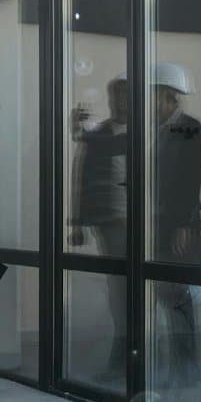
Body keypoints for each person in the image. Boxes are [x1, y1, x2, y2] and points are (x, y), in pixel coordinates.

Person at [68, 76, 129, 383]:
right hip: (113, 223)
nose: (120, 102)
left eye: (125, 96)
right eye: (115, 96)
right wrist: (77, 222)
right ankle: (122, 360)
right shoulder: (103, 134)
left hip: (151, 223)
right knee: (120, 292)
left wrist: (82, 134)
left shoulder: (147, 131)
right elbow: (83, 175)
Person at [150, 63, 201, 387]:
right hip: (162, 224)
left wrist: (184, 224)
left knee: (177, 293)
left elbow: (190, 178)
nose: (154, 103)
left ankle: (187, 363)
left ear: (170, 98)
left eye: (158, 97)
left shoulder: (189, 128)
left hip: (179, 227)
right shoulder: (160, 129)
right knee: (167, 293)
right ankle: (179, 361)